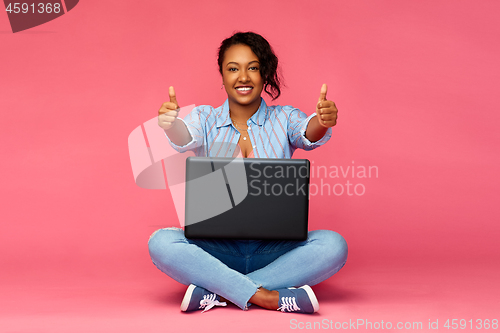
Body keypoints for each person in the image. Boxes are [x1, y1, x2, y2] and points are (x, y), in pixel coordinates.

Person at [148, 32, 347, 314]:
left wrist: (322, 121)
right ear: (222, 75)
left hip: (274, 252)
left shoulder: (284, 118)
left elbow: (307, 131)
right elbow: (185, 137)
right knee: (161, 242)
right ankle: (268, 297)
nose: (243, 77)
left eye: (252, 67)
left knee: (333, 245)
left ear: (264, 73)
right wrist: (171, 125)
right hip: (216, 250)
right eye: (233, 69)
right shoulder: (204, 118)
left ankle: (220, 292)